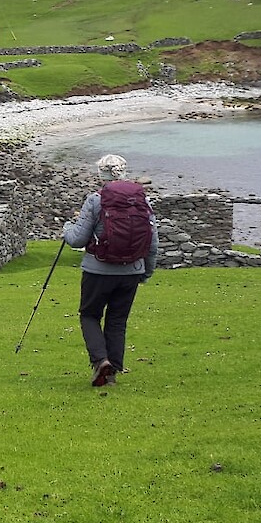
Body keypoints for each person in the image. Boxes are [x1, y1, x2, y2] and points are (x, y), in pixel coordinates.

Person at [62, 154, 159, 386]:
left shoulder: (95, 200)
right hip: (131, 271)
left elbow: (76, 239)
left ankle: (100, 361)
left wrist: (66, 227)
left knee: (89, 315)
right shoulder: (142, 201)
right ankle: (112, 373)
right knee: (117, 320)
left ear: (100, 174)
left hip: (98, 271)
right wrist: (146, 271)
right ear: (124, 172)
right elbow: (153, 241)